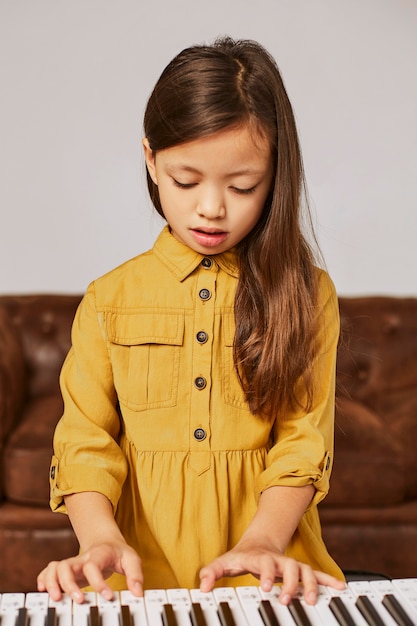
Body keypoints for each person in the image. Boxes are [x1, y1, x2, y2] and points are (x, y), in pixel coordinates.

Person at [37, 36, 346, 606]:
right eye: (186, 181)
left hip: (273, 572)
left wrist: (263, 541)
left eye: (242, 186)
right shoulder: (108, 298)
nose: (212, 207)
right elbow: (85, 440)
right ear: (150, 159)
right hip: (139, 581)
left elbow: (303, 443)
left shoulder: (307, 293)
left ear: (275, 175)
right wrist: (99, 539)